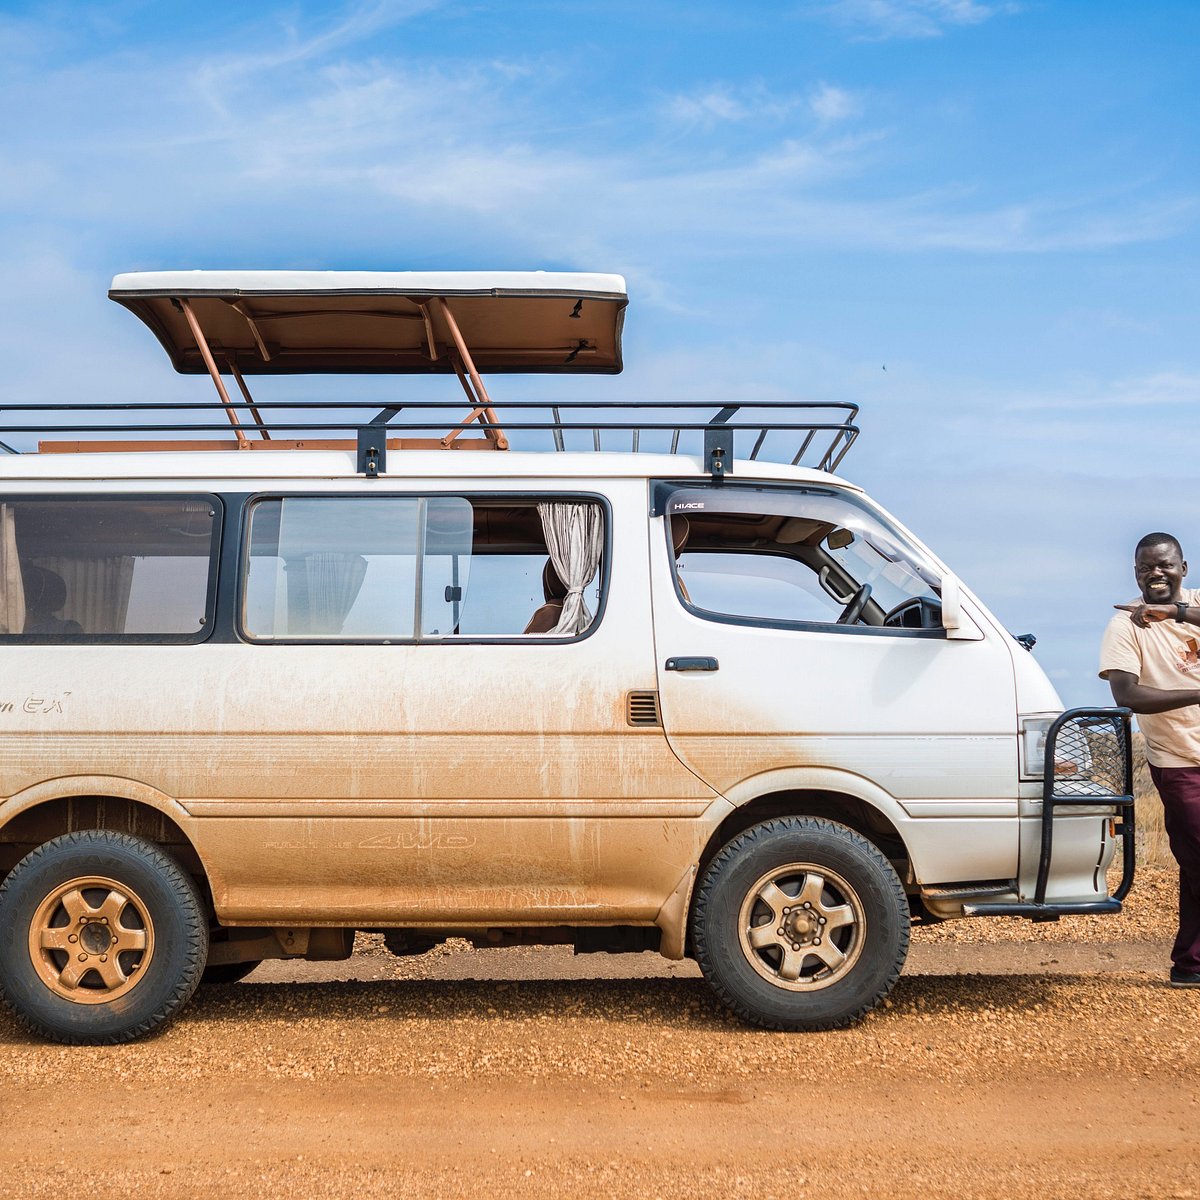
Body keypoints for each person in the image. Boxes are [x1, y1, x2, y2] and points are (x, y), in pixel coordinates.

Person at [1100, 532, 1200, 988]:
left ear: (1183, 568)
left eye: (1164, 565)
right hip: (1179, 759)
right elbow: (1128, 694)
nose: (1155, 573)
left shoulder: (1194, 605)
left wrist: (1175, 613)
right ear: (1135, 572)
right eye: (1145, 567)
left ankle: (1189, 965)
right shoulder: (1124, 626)